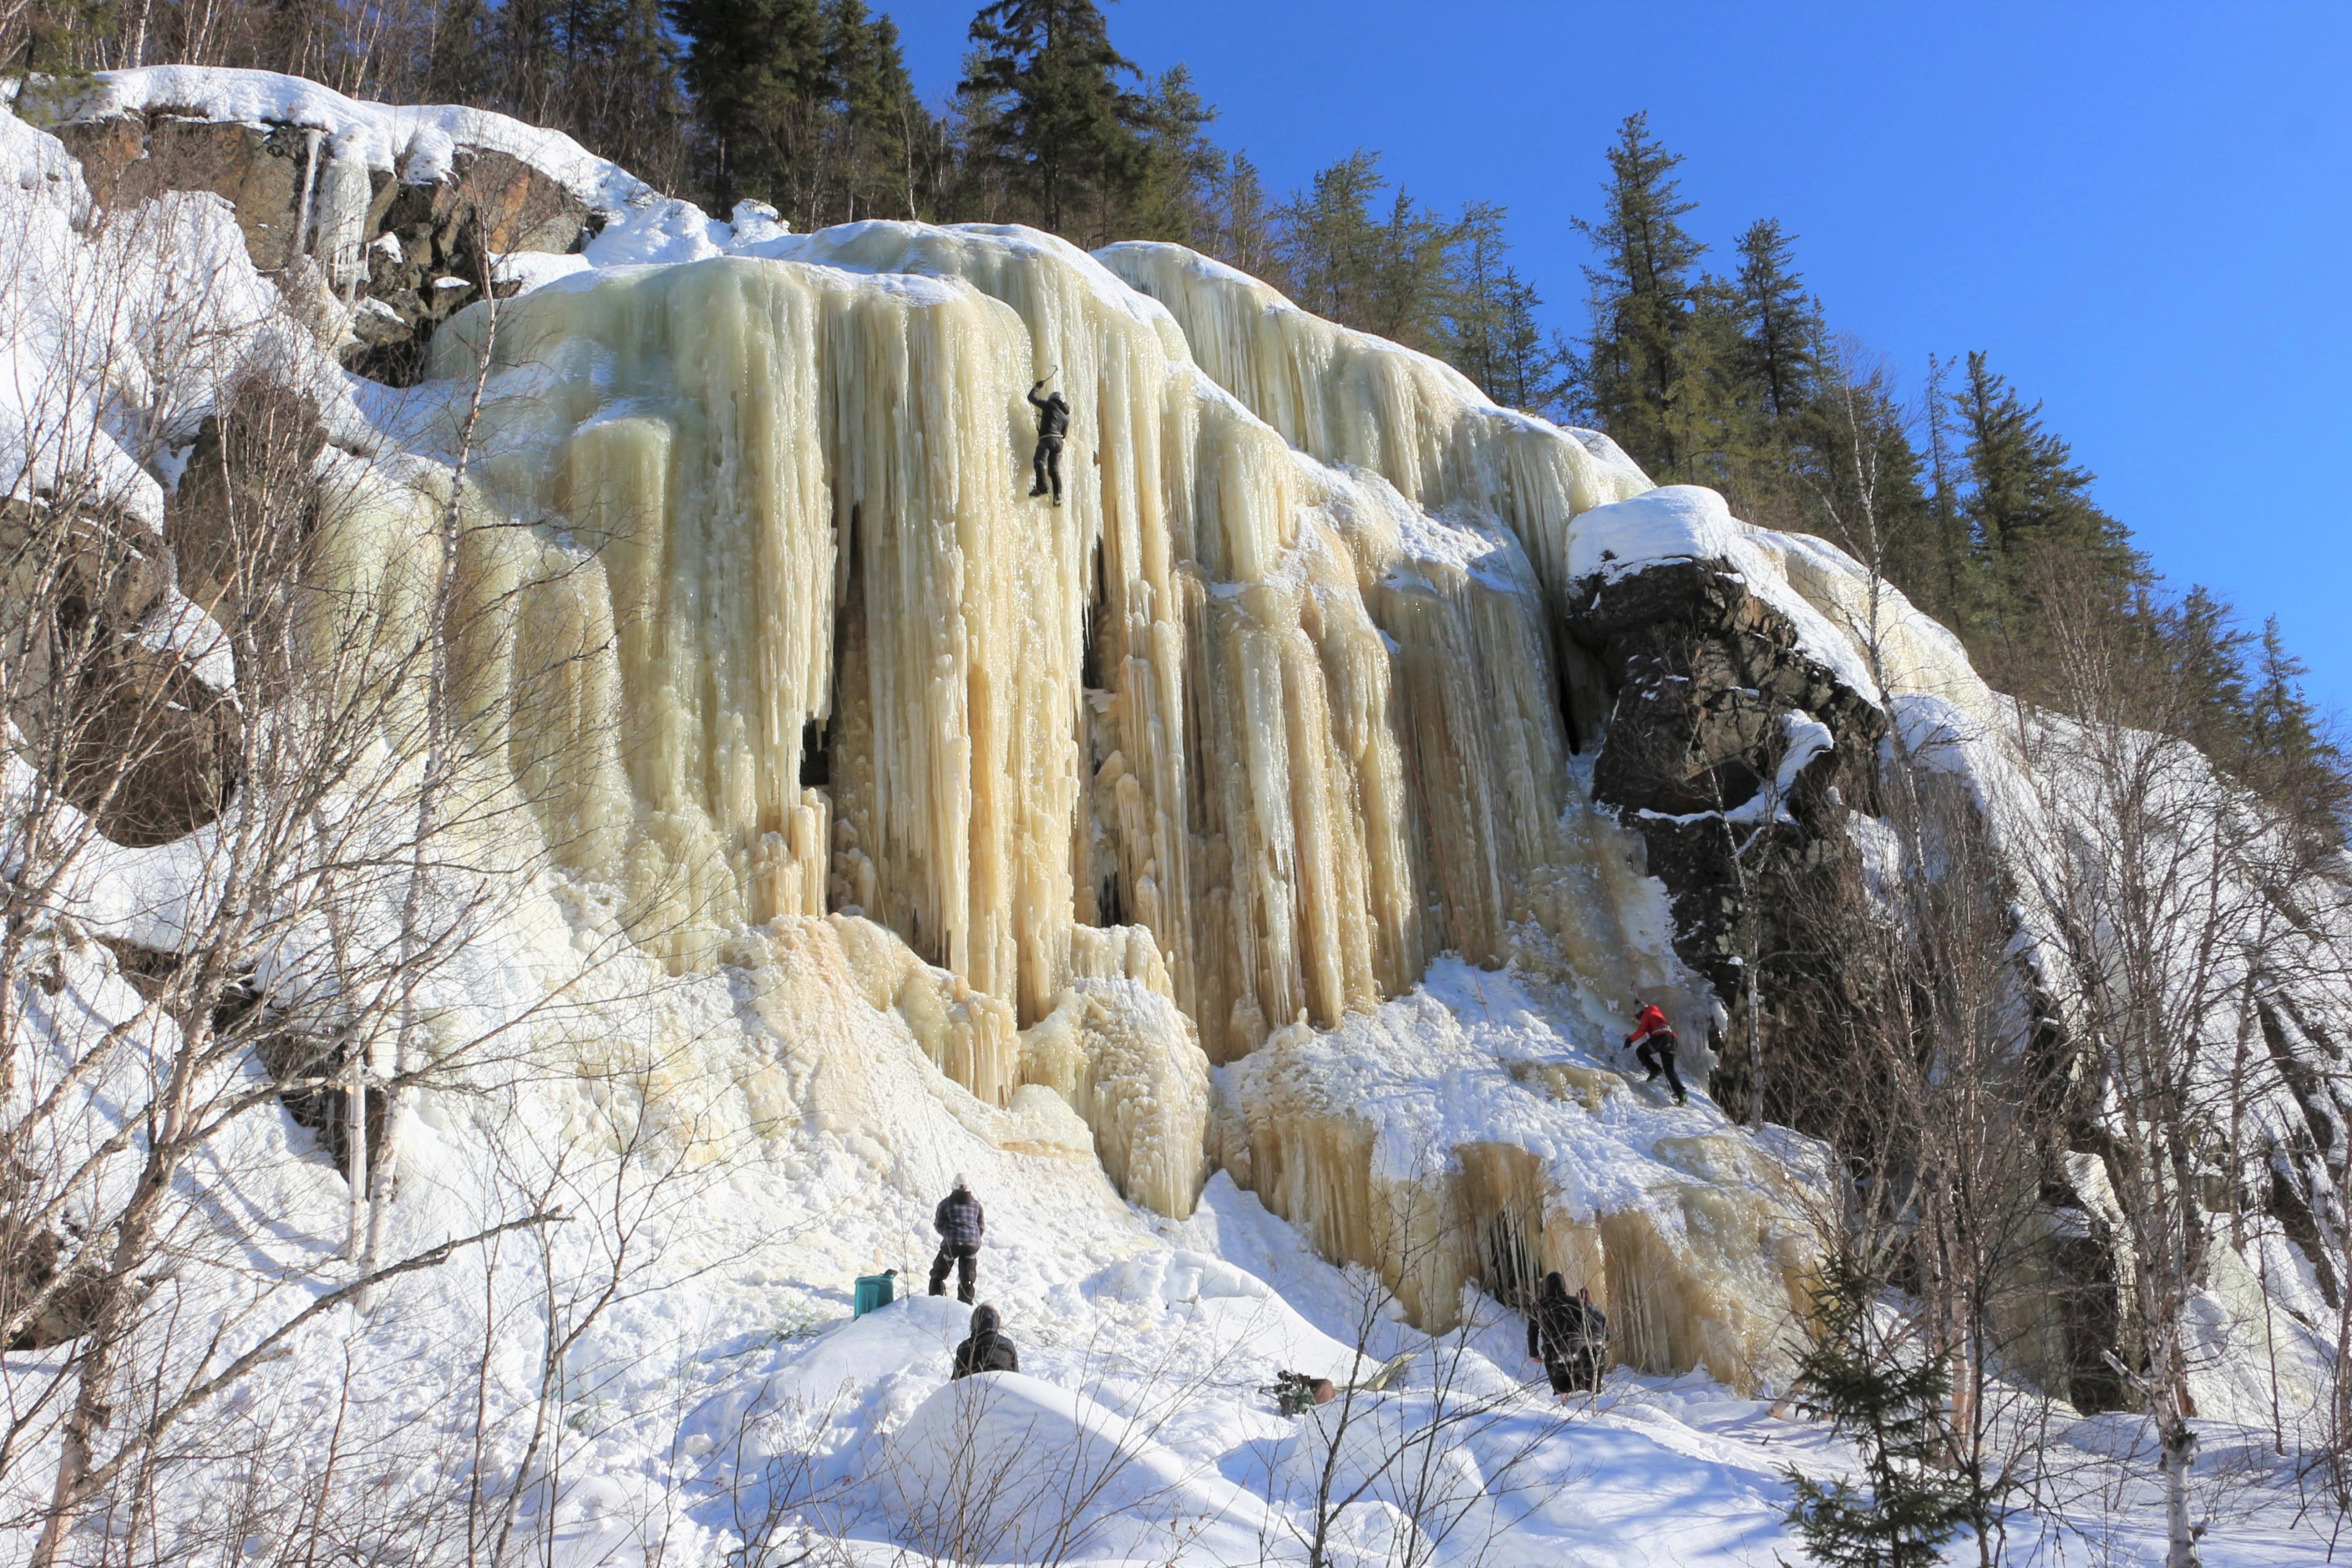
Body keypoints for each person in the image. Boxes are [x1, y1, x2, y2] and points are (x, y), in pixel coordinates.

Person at [1526, 1272, 1608, 1398]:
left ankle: (1562, 1407)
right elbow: (1586, 1323)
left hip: (1553, 1351)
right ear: (1564, 1286)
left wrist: (1534, 1352)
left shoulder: (1539, 1306)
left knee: (1561, 1392)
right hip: (1577, 1349)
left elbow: (1532, 1331)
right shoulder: (1574, 1302)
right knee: (1581, 1389)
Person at [928, 1174, 985, 1303]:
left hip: (952, 1244)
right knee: (968, 1279)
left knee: (938, 1275)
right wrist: (972, 1238)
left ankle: (934, 1302)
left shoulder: (945, 1204)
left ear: (954, 1187)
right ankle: (964, 1307)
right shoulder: (977, 1205)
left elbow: (939, 1225)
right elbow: (981, 1227)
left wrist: (948, 1235)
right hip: (972, 1245)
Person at [1626, 1000, 1687, 1105]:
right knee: (1670, 1071)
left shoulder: (1646, 1014)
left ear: (1641, 1013)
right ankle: (1681, 1093)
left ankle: (1655, 1070)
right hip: (1672, 1040)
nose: (1640, 1020)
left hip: (1660, 1038)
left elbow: (1642, 1031)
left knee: (1641, 1051)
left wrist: (1630, 1040)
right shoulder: (1655, 1010)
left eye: (1639, 1017)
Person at [1027, 375, 1070, 506]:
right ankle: (1058, 497)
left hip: (1047, 439)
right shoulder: (1066, 417)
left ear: (1052, 399)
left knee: (1039, 461)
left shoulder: (1049, 405)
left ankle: (1042, 487)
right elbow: (1064, 434)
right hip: (1058, 443)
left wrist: (1037, 387)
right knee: (1053, 470)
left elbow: (1032, 398)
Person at [951, 1302, 1020, 1379]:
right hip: (1004, 1389)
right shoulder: (1008, 1345)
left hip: (973, 1389)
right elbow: (1016, 1377)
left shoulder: (965, 1347)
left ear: (974, 1323)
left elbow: (956, 1382)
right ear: (997, 1323)